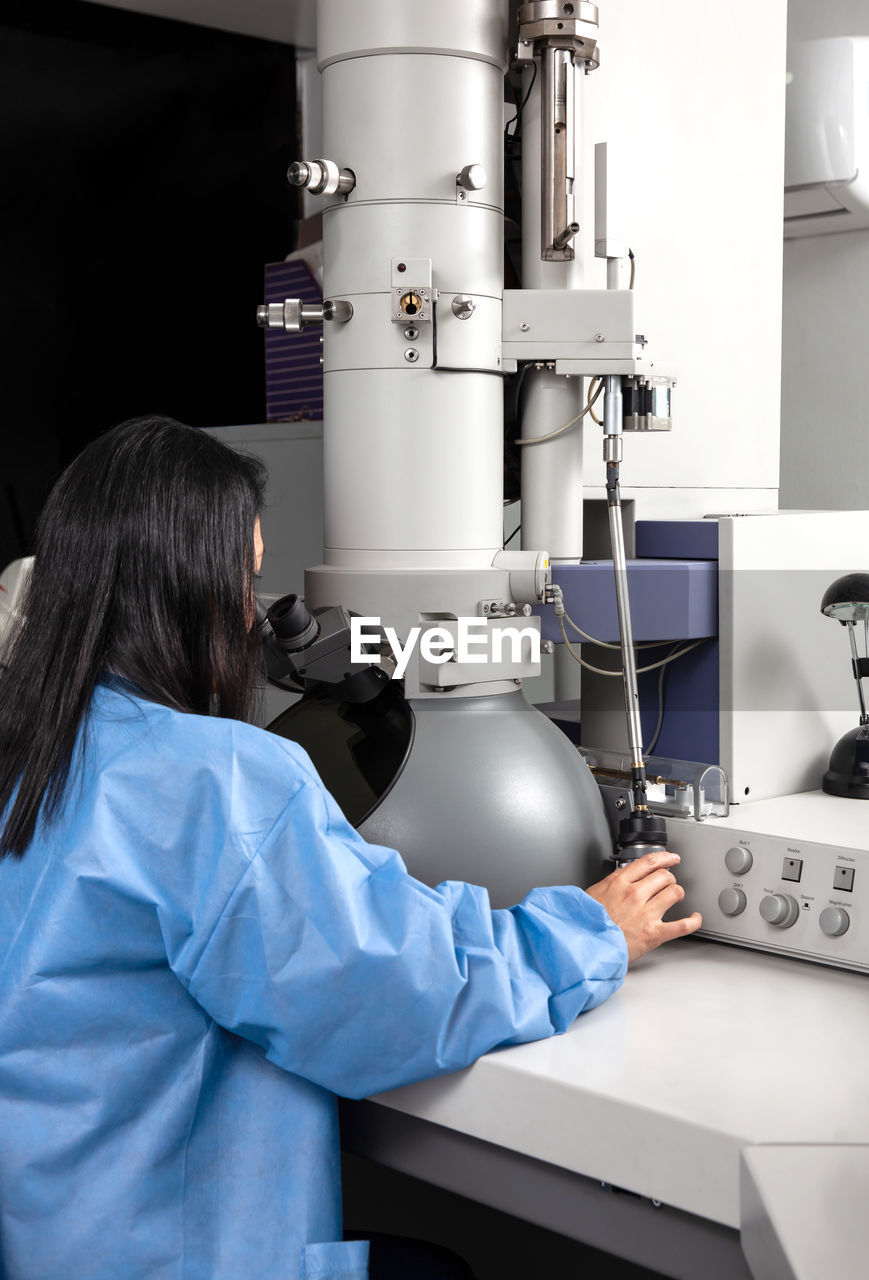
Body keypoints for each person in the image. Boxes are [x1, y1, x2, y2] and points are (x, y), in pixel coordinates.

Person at [0, 417, 702, 1280]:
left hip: (55, 1235)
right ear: (189, 590)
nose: (252, 617)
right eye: (244, 582)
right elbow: (389, 991)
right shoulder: (212, 779)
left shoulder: (30, 748)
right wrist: (588, 933)